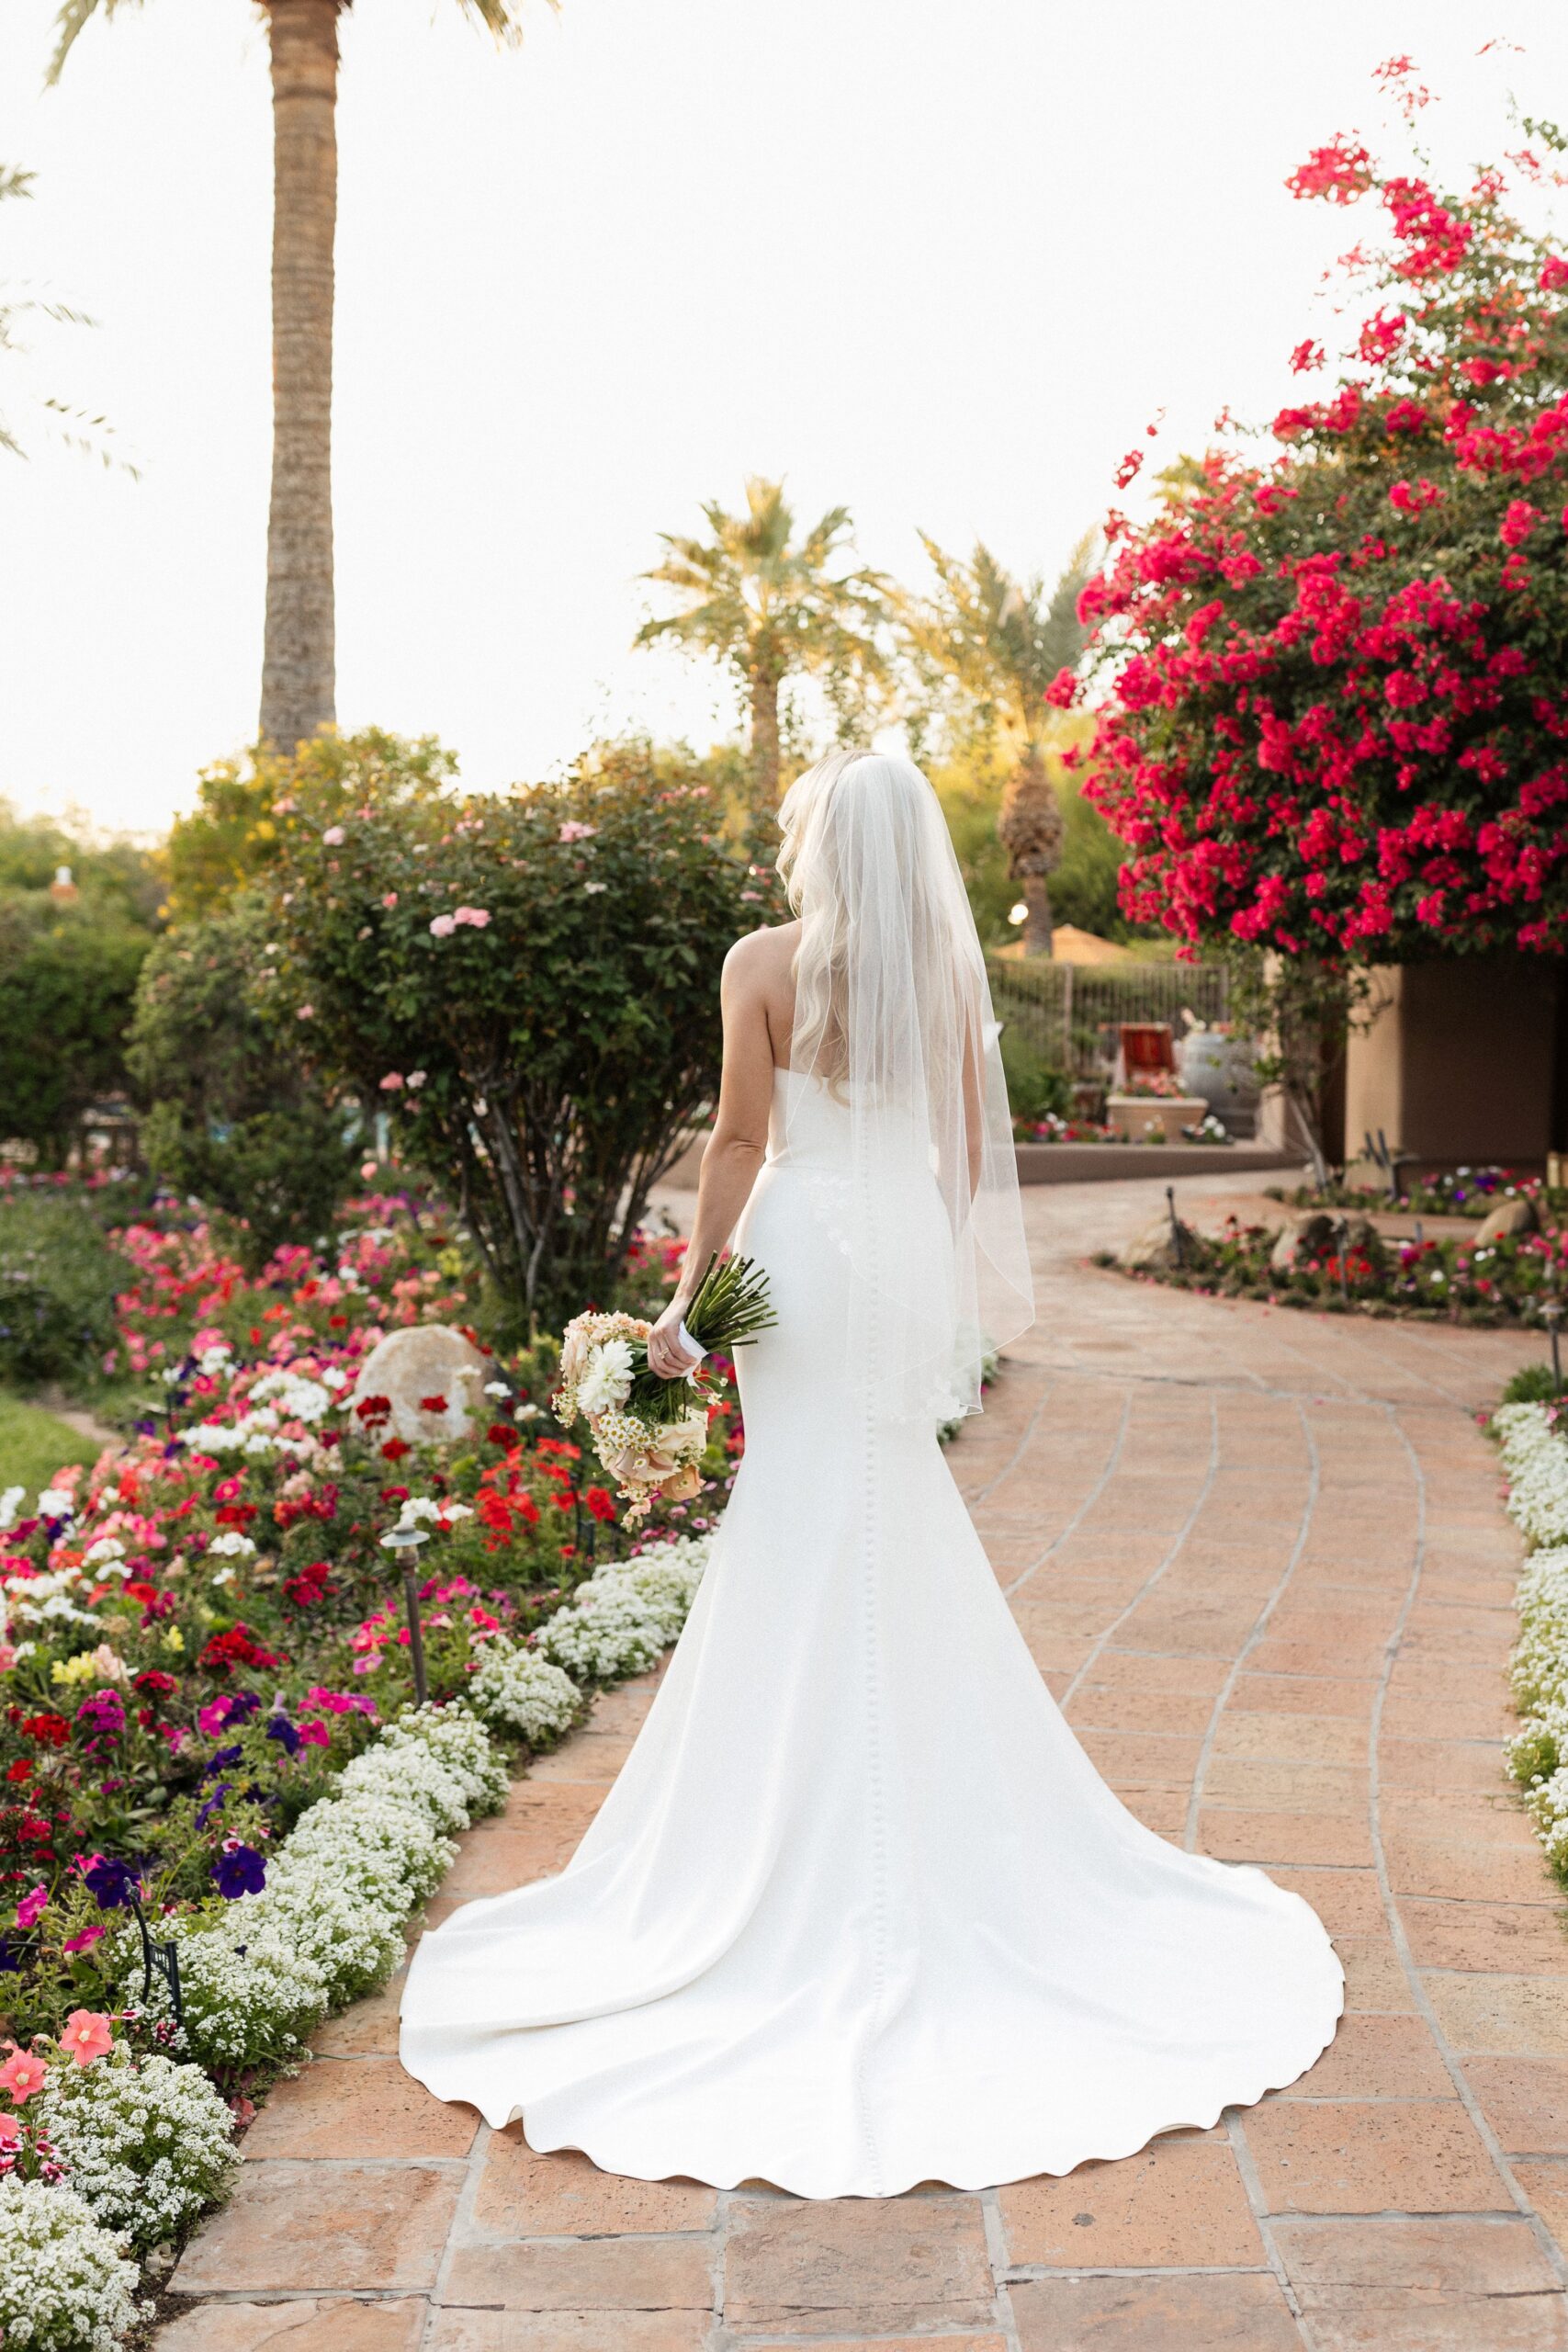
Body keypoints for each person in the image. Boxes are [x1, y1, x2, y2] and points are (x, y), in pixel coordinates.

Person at [399, 747, 1342, 2199]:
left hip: (796, 1253)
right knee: (890, 1491)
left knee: (796, 1496)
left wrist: (686, 1311)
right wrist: (923, 1275)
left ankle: (771, 1828)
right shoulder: (946, 974)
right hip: (895, 1243)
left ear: (821, 844)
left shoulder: (763, 963)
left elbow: (738, 1140)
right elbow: (960, 1155)